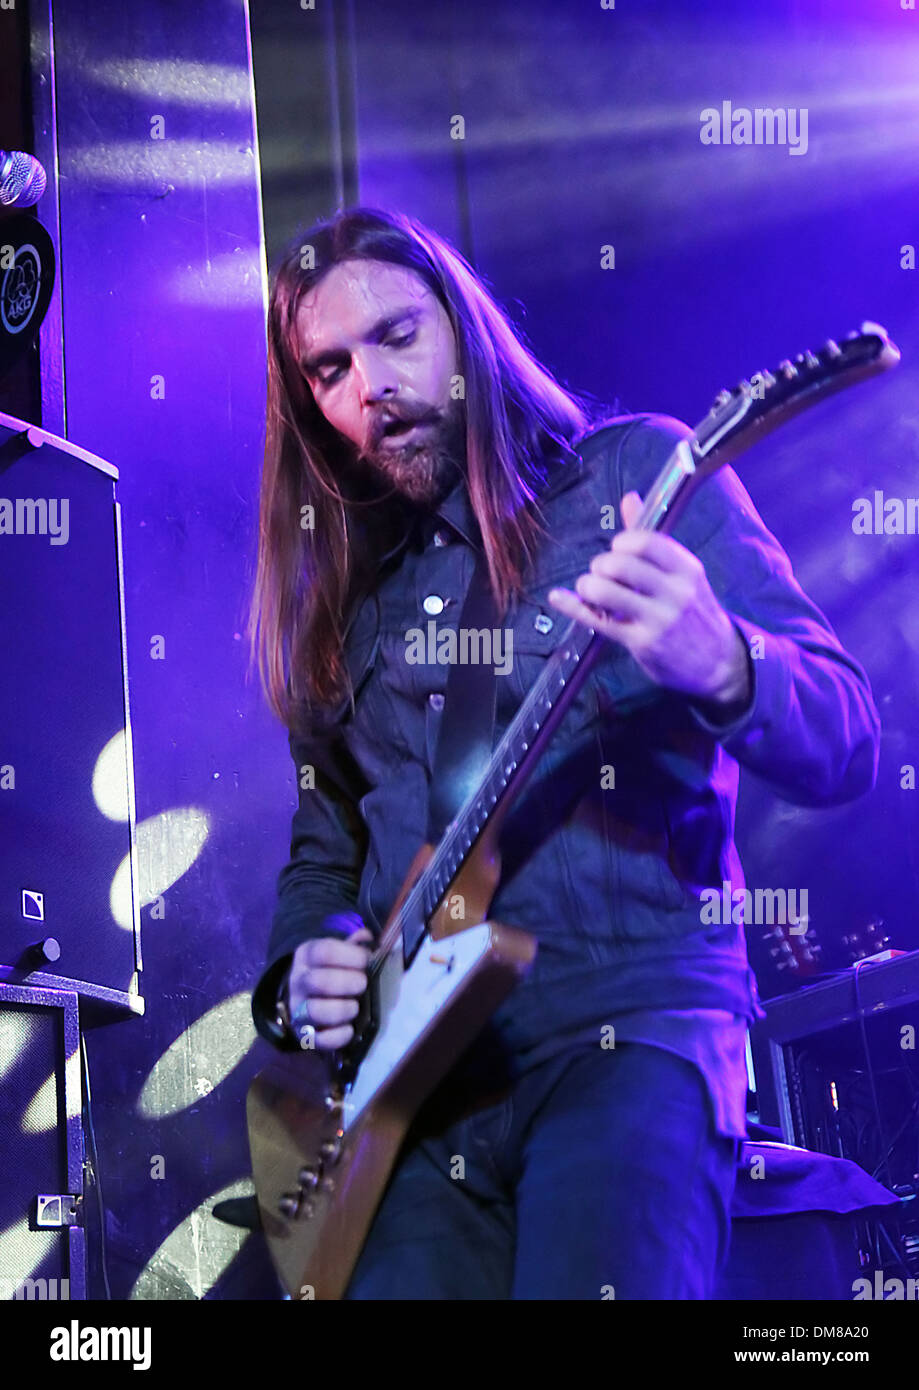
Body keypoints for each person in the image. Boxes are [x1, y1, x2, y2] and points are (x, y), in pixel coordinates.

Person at [248, 206, 880, 1300]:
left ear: (465, 325)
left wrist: (723, 660)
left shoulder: (636, 477)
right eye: (330, 368)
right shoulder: (345, 614)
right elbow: (323, 853)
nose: (372, 386)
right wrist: (299, 976)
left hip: (626, 1028)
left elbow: (846, 734)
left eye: (399, 336)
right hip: (418, 1102)